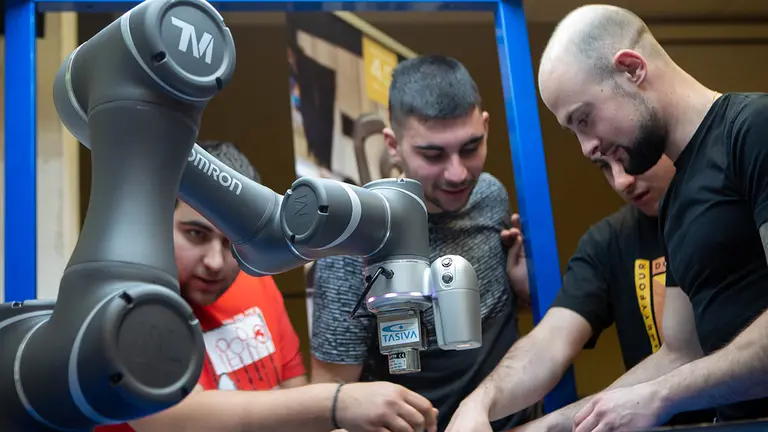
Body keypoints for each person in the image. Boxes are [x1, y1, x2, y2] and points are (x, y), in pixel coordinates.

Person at [533, 4, 768, 431]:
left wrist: (660, 397)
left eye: (584, 119)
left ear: (632, 69)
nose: (587, 148)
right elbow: (679, 355)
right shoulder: (676, 199)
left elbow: (667, 384)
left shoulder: (753, 129)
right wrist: (546, 428)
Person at [98, 140, 438, 432]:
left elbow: (293, 396)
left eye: (231, 242)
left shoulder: (256, 282)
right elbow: (171, 416)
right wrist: (337, 402)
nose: (216, 262)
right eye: (195, 234)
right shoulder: (121, 303)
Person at [309, 54, 536, 432]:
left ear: (485, 126)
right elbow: (332, 395)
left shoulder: (491, 196)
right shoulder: (354, 242)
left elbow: (501, 326)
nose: (457, 173)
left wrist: (525, 290)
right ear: (393, 145)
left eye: (470, 147)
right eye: (432, 154)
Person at [447, 154, 715, 431]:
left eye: (630, 158)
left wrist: (544, 428)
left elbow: (681, 355)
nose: (622, 181)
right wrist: (478, 402)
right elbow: (550, 342)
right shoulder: (609, 241)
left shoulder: (722, 209)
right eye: (604, 166)